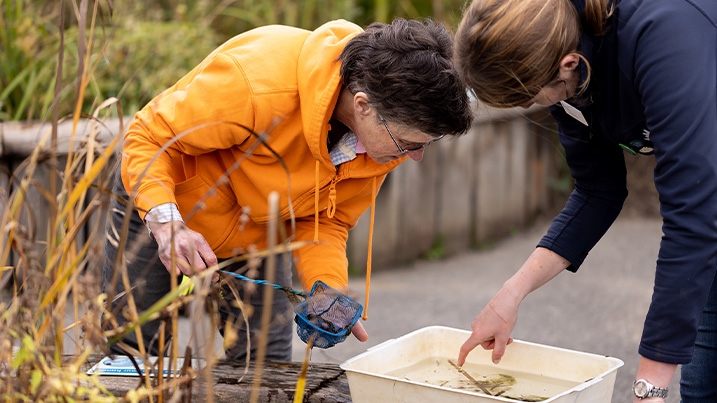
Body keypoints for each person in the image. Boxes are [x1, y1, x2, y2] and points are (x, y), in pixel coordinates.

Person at [103, 17, 473, 362]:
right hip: (160, 206)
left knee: (267, 363)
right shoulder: (256, 82)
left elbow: (327, 220)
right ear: (363, 105)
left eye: (427, 142)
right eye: (410, 143)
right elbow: (148, 137)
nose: (416, 156)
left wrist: (328, 290)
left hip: (261, 229)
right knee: (132, 354)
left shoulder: (382, 142)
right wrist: (167, 223)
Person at [453, 0, 717, 401]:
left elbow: (695, 213)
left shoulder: (663, 31)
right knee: (703, 387)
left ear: (568, 64)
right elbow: (598, 190)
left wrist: (649, 386)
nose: (535, 106)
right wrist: (510, 294)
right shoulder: (564, 66)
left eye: (530, 98)